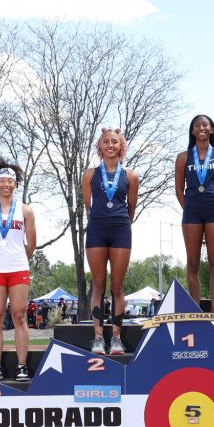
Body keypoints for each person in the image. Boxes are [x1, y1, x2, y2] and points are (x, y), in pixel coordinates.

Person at [0, 158, 36, 381]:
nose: (6, 185)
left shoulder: (25, 210)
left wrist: (18, 256)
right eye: (1, 180)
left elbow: (31, 243)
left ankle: (22, 366)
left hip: (18, 267)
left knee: (20, 316)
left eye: (9, 181)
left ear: (16, 184)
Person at [83, 127, 139, 355]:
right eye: (106, 141)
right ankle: (98, 338)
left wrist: (119, 221)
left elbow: (131, 208)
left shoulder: (130, 176)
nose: (110, 145)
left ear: (121, 146)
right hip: (96, 230)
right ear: (100, 146)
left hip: (120, 231)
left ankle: (116, 338)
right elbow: (89, 206)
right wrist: (99, 219)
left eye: (114, 142)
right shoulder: (90, 174)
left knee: (117, 285)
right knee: (98, 284)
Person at [175, 114, 214, 313]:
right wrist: (190, 207)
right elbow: (178, 190)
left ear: (212, 129)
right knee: (192, 263)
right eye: (197, 125)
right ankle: (196, 312)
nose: (201, 128)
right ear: (192, 131)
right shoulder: (183, 157)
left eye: (205, 124)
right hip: (191, 212)